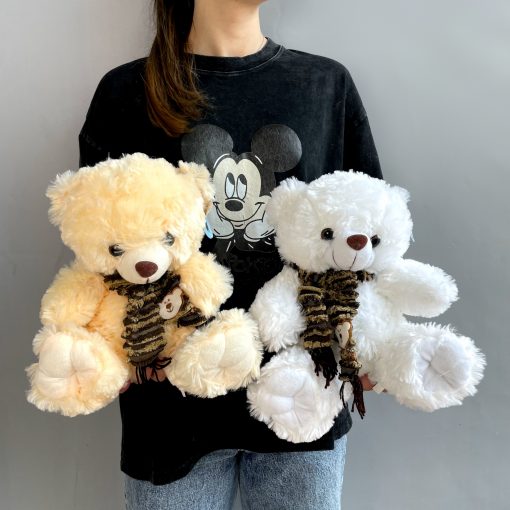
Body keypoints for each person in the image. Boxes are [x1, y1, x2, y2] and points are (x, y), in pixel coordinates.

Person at [79, 1, 382, 508]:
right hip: (171, 406)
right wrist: (103, 348)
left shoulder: (325, 85)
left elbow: (370, 231)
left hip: (302, 398)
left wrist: (372, 343)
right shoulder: (128, 91)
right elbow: (96, 247)